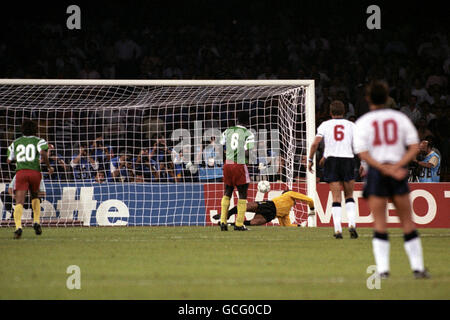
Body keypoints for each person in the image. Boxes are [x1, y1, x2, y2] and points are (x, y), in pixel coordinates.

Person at [353, 80, 429, 279]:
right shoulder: (400, 119)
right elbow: (414, 147)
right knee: (407, 222)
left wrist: (382, 168)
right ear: (388, 98)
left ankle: (383, 271)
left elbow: (362, 153)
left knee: (379, 223)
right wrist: (396, 167)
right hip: (398, 172)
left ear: (368, 98)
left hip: (377, 174)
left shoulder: (363, 122)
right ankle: (418, 269)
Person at [308, 100, 360, 239]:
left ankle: (337, 229)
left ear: (330, 112)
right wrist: (364, 162)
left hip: (332, 161)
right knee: (349, 196)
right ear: (344, 112)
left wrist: (310, 160)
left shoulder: (325, 125)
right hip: (348, 159)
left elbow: (315, 144)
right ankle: (352, 224)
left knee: (336, 197)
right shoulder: (351, 125)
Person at [6, 120, 53, 239]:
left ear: (22, 130)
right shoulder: (39, 141)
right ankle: (36, 221)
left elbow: (8, 160)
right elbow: (43, 152)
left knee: (19, 201)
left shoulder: (15, 142)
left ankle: (18, 227)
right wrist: (48, 166)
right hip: (35, 172)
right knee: (35, 196)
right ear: (35, 129)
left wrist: (19, 160)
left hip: (21, 172)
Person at [219, 110, 255, 231]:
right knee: (242, 193)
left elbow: (220, 144)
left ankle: (223, 221)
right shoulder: (248, 133)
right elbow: (247, 151)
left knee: (227, 191)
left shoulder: (227, 131)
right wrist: (248, 161)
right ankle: (239, 223)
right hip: (239, 164)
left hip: (227, 164)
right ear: (247, 121)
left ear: (237, 120)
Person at [213, 190, 315, 227]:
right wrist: (312, 209)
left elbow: (287, 225)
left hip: (271, 215)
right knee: (246, 207)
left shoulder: (286, 212)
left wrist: (298, 226)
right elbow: (309, 200)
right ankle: (227, 214)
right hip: (269, 205)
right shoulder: (289, 194)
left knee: (253, 223)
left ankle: (230, 224)